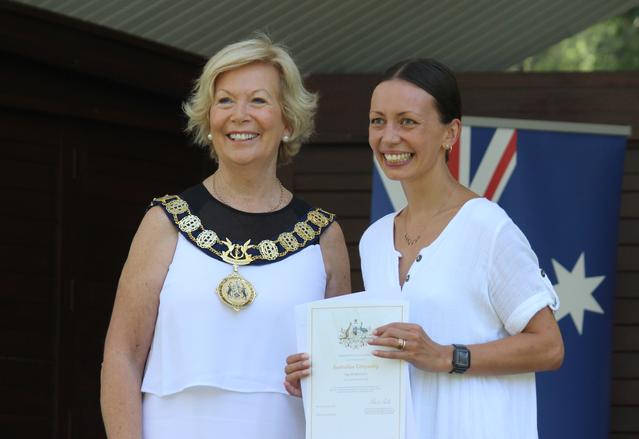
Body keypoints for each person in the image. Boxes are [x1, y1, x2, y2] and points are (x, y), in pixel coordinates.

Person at [285, 58, 563, 439]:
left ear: (450, 134)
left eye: (408, 122)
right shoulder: (375, 239)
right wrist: (324, 376)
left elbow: (549, 347)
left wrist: (447, 356)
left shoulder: (487, 227)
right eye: (378, 121)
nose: (389, 137)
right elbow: (381, 356)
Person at [100, 34, 351, 439]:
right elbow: (122, 356)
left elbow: (343, 374)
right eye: (226, 100)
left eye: (258, 100)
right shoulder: (163, 222)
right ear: (209, 118)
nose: (240, 115)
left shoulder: (325, 237)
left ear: (287, 120)